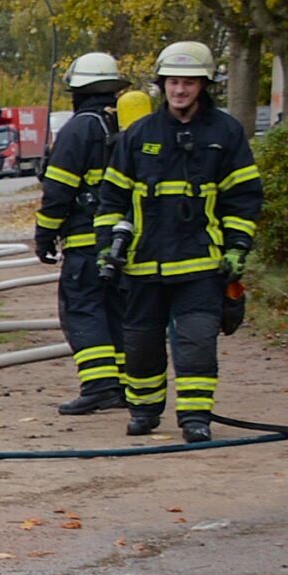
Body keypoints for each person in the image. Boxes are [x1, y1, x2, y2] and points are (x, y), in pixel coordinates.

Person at [95, 41, 263, 444]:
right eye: (173, 81)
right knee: (140, 345)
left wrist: (237, 247)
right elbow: (112, 196)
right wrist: (107, 245)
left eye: (189, 82)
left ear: (203, 85)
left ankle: (195, 418)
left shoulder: (225, 132)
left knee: (196, 343)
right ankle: (144, 410)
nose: (180, 90)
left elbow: (243, 196)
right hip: (143, 265)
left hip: (199, 264)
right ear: (162, 84)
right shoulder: (138, 135)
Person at [33, 52, 129, 414]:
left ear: (76, 88)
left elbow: (58, 192)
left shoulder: (78, 129)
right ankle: (122, 385)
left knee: (82, 309)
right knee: (117, 312)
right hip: (123, 242)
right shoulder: (124, 124)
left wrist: (44, 236)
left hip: (86, 243)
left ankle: (101, 386)